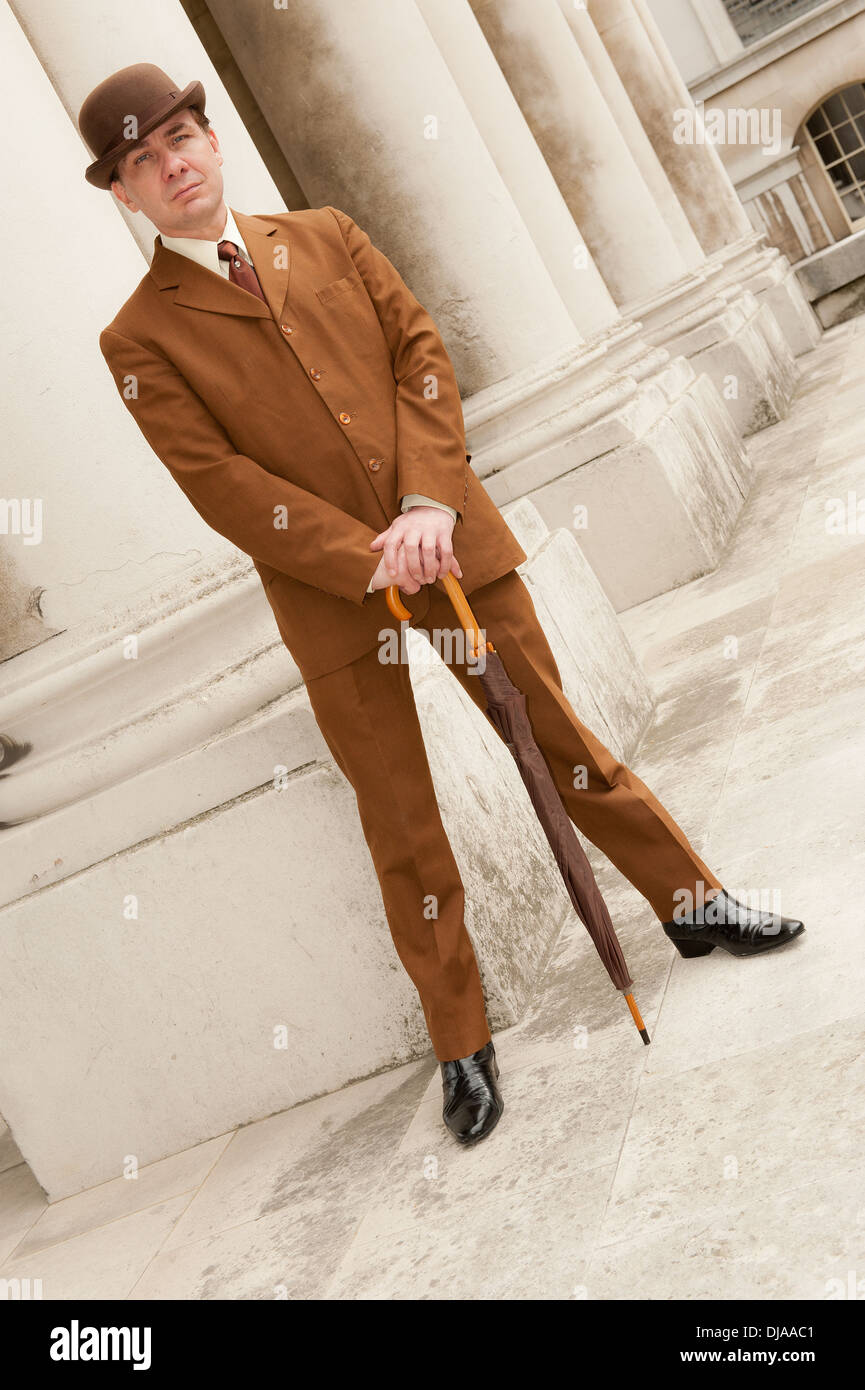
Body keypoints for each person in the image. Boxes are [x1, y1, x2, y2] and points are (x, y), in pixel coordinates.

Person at [79, 64, 805, 1148]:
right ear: (125, 194)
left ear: (212, 143)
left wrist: (424, 502)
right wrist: (367, 556)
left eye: (182, 137)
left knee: (559, 738)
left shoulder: (325, 234)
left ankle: (692, 902)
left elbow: (422, 356)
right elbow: (220, 484)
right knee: (403, 821)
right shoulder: (137, 339)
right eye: (143, 158)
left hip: (449, 535)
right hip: (337, 596)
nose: (173, 162)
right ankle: (461, 1036)